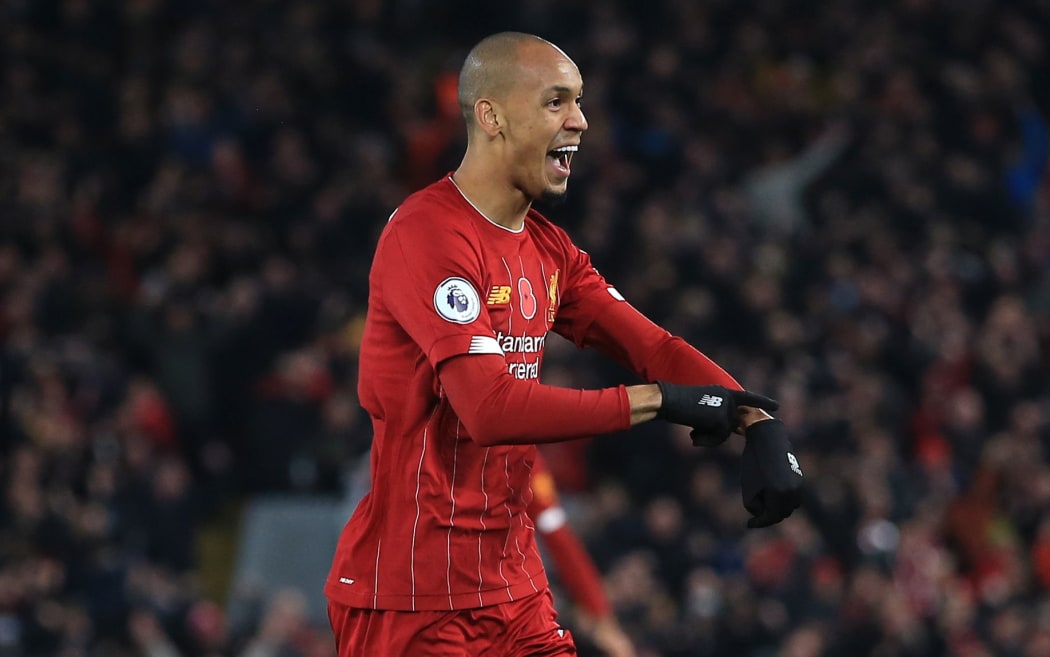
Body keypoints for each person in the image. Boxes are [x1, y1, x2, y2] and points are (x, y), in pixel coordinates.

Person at [325, 31, 804, 657]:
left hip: (514, 590)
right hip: (414, 600)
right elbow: (490, 409)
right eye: (556, 101)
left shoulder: (549, 250)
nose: (579, 120)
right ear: (492, 116)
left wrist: (755, 417)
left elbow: (655, 347)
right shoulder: (427, 234)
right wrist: (657, 402)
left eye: (578, 102)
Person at [528, 452, 636, 657]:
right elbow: (556, 535)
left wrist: (600, 614)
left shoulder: (522, 455)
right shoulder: (519, 453)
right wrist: (600, 615)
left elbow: (555, 531)